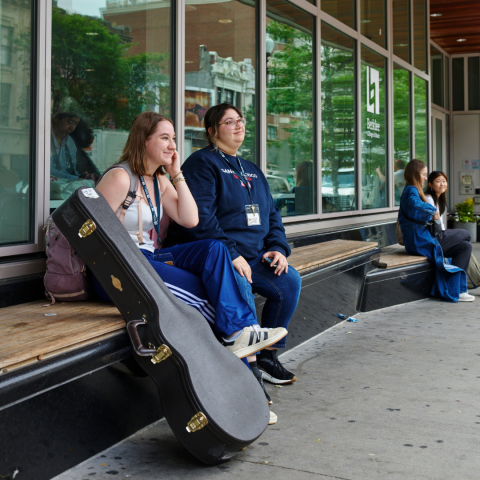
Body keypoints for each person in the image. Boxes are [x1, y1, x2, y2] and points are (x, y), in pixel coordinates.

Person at [95, 111, 287, 422]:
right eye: (164, 138)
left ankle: (243, 340)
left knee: (215, 250)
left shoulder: (158, 180)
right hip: (119, 271)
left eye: (174, 138)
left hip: (150, 260)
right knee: (215, 304)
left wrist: (174, 173)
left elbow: (190, 219)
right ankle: (246, 389)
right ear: (143, 141)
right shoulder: (120, 177)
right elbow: (91, 235)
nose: (173, 145)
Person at [164, 103, 302, 390]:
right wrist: (232, 252)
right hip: (216, 256)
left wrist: (278, 246)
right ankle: (247, 378)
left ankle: (266, 357)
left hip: (252, 256)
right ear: (212, 131)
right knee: (240, 286)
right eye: (230, 122)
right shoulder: (202, 163)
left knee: (288, 281)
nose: (239, 125)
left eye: (240, 120)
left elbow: (272, 214)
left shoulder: (251, 169)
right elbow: (201, 218)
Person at [398, 159, 474, 302]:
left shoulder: (412, 190)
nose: (426, 178)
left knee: (465, 247)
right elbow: (415, 203)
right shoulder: (411, 190)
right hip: (420, 241)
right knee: (466, 235)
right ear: (415, 174)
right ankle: (454, 287)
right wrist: (432, 210)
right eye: (424, 174)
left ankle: (458, 289)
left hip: (421, 239)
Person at [425, 171, 473, 274]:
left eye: (444, 181)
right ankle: (458, 278)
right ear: (430, 184)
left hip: (440, 236)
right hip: (433, 239)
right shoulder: (429, 198)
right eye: (438, 181)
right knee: (466, 234)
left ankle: (457, 282)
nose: (442, 184)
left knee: (466, 246)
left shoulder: (439, 199)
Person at [50, 112, 98, 182]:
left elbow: (72, 170)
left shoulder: (70, 142)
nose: (72, 127)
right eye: (70, 122)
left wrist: (83, 178)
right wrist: (75, 179)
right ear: (56, 118)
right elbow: (47, 170)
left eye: (75, 124)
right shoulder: (43, 139)